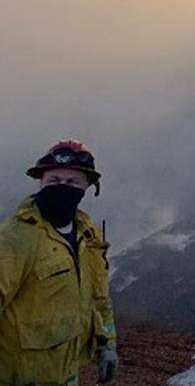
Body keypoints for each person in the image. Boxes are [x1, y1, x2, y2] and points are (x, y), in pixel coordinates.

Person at [0, 140, 118, 385]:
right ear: (41, 182)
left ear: (88, 187)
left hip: (67, 373)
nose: (62, 187)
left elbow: (100, 299)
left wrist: (108, 346)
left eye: (72, 182)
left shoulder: (89, 234)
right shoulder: (16, 237)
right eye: (54, 180)